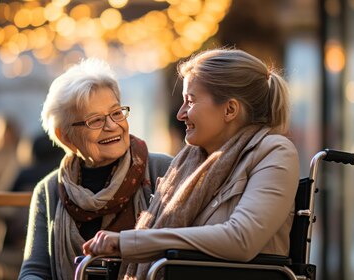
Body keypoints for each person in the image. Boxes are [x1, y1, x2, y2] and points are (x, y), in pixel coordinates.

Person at [82, 48, 300, 279]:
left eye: (190, 101)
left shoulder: (274, 151)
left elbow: (241, 238)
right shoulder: (189, 163)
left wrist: (132, 242)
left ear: (230, 109)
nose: (181, 114)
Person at [18, 58, 172, 280]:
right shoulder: (49, 190)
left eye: (116, 113)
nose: (112, 126)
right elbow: (34, 271)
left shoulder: (163, 170)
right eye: (96, 120)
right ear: (66, 136)